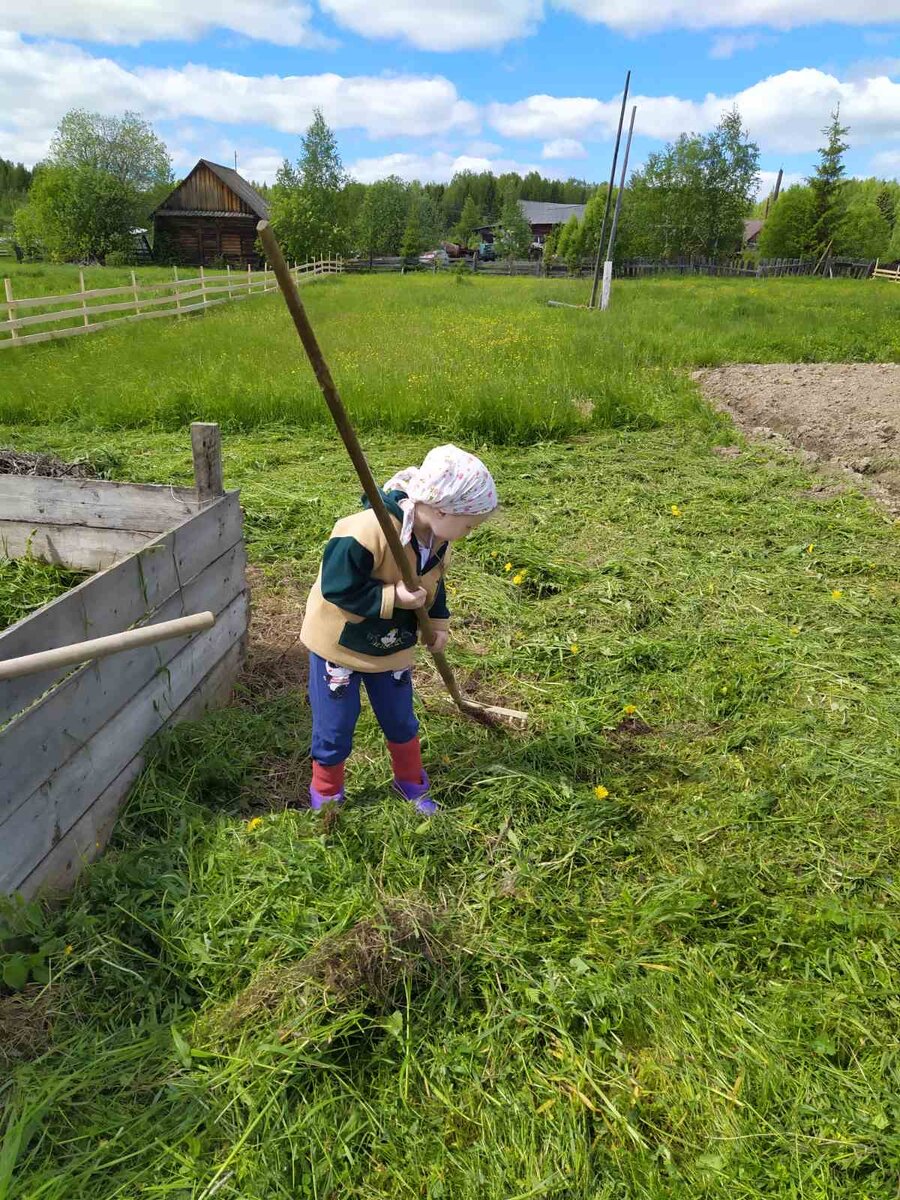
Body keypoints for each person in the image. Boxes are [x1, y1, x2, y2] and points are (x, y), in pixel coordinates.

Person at [300, 445, 498, 814]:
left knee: (401, 719)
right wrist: (393, 597)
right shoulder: (364, 531)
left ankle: (410, 782)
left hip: (392, 648)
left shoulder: (439, 542)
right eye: (469, 524)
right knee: (336, 726)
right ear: (442, 509)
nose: (470, 532)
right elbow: (338, 587)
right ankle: (327, 795)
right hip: (340, 648)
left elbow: (433, 588)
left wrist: (437, 625)